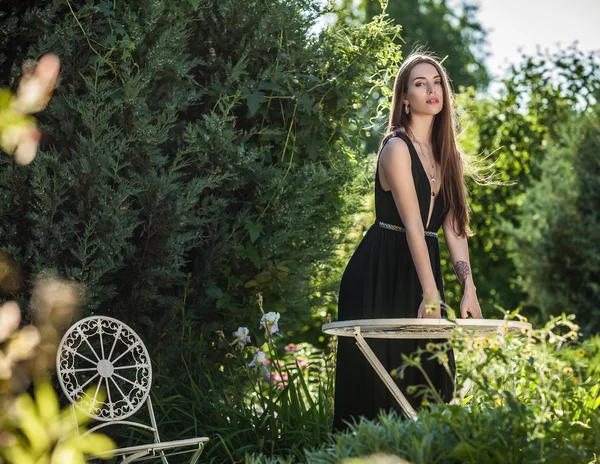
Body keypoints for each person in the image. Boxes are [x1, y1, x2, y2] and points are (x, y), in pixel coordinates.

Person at [333, 51, 483, 431]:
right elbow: (414, 225)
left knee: (432, 377)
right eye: (420, 83)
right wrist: (431, 294)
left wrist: (469, 287)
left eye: (437, 82)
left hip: (423, 268)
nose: (432, 89)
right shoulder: (396, 148)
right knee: (381, 385)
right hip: (381, 268)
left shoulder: (448, 156)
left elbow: (453, 228)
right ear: (404, 97)